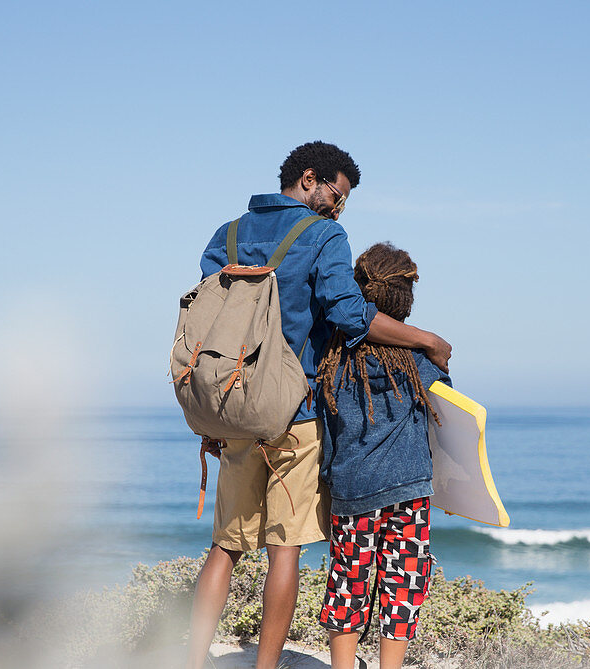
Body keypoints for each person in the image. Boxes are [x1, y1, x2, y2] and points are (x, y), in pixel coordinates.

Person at [185, 142, 452, 669]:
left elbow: (210, 325)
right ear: (310, 178)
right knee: (285, 550)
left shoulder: (228, 235)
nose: (338, 207)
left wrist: (214, 414)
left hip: (236, 410)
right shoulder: (323, 234)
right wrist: (424, 339)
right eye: (338, 194)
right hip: (295, 414)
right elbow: (350, 316)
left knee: (225, 547)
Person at [315, 242, 449, 669]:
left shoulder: (333, 361)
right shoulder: (418, 363)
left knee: (348, 582)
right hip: (410, 488)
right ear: (405, 300)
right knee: (404, 583)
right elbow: (449, 413)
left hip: (353, 491)